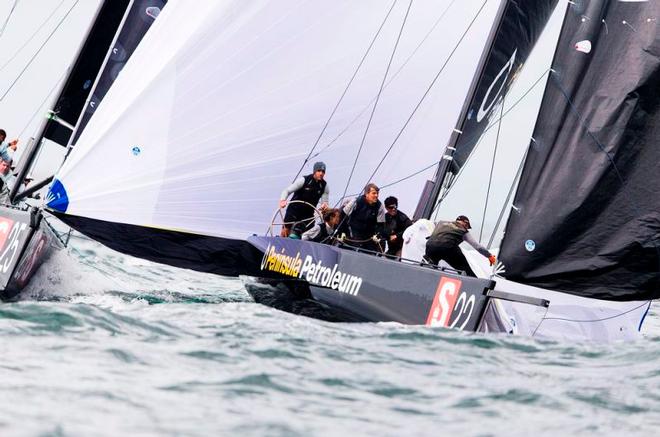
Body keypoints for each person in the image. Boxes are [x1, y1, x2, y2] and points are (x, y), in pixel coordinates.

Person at [425, 215, 496, 277]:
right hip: (447, 248)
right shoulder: (463, 230)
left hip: (430, 247)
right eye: (467, 226)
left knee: (431, 267)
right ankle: (471, 281)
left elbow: (434, 227)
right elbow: (478, 247)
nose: (467, 228)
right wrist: (490, 256)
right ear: (465, 222)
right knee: (466, 270)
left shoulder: (440, 223)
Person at [279, 162, 330, 238]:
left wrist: (324, 205)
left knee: (308, 234)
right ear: (314, 171)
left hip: (308, 214)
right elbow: (287, 191)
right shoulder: (304, 180)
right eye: (319, 171)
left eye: (323, 172)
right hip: (294, 210)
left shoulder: (324, 186)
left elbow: (325, 202)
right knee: (286, 231)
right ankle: (280, 243)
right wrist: (283, 200)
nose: (321, 173)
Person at [339, 183, 387, 252]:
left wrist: (378, 235)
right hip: (354, 231)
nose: (376, 195)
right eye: (374, 193)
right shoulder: (356, 201)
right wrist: (342, 232)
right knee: (357, 249)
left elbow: (381, 225)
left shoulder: (380, 206)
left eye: (377, 193)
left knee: (372, 252)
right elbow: (342, 215)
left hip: (369, 235)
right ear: (366, 194)